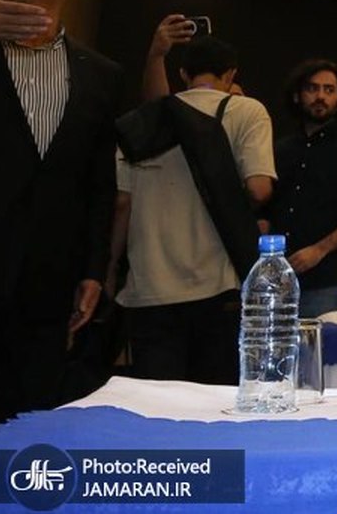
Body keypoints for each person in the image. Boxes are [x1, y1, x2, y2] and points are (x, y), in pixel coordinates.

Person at [0, 0, 124, 422]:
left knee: (33, 421)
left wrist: (94, 269)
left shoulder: (100, 75)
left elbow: (98, 182)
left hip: (49, 282)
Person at [108, 34, 275, 384]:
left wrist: (108, 273)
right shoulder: (246, 111)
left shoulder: (141, 123)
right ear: (230, 74)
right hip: (216, 285)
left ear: (183, 73)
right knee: (210, 399)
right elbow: (259, 187)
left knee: (153, 398)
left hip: (148, 287)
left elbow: (122, 203)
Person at [265, 59, 337, 317]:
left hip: (329, 279)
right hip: (278, 278)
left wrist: (320, 250)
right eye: (312, 88)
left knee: (323, 343)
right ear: (297, 95)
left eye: (329, 90)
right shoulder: (281, 148)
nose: (320, 96)